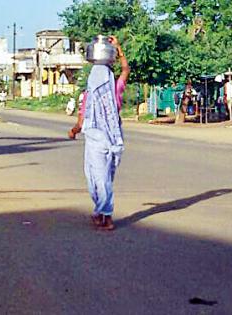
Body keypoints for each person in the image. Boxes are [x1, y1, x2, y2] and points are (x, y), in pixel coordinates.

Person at [81, 35, 130, 230]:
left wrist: (76, 129)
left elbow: (83, 115)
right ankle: (100, 211)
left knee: (97, 178)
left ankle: (106, 215)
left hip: (97, 137)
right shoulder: (114, 89)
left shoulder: (91, 94)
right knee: (103, 178)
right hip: (114, 137)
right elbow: (125, 70)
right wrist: (118, 50)